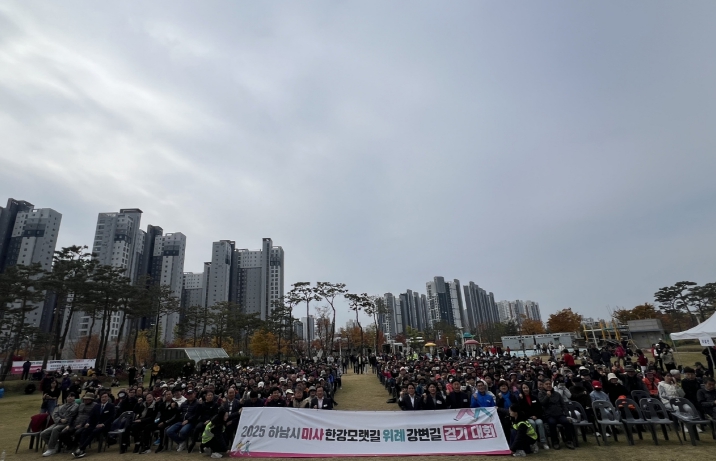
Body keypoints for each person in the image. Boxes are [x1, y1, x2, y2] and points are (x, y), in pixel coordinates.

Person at [72, 392, 116, 458]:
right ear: (100, 398)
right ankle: (82, 449)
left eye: (105, 397)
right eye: (102, 397)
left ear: (108, 398)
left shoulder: (111, 406)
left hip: (105, 425)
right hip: (95, 424)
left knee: (94, 432)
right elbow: (91, 416)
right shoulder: (97, 406)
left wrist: (103, 424)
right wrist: (88, 423)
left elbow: (112, 417)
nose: (104, 398)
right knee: (85, 431)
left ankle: (81, 448)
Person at [538, 380, 574, 450]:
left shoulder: (557, 394)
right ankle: (555, 442)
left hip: (559, 414)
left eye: (549, 384)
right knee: (552, 423)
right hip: (549, 415)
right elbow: (542, 404)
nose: (548, 385)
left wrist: (567, 415)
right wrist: (547, 396)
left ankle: (568, 441)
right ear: (543, 385)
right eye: (546, 384)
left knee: (567, 422)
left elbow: (563, 405)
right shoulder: (541, 394)